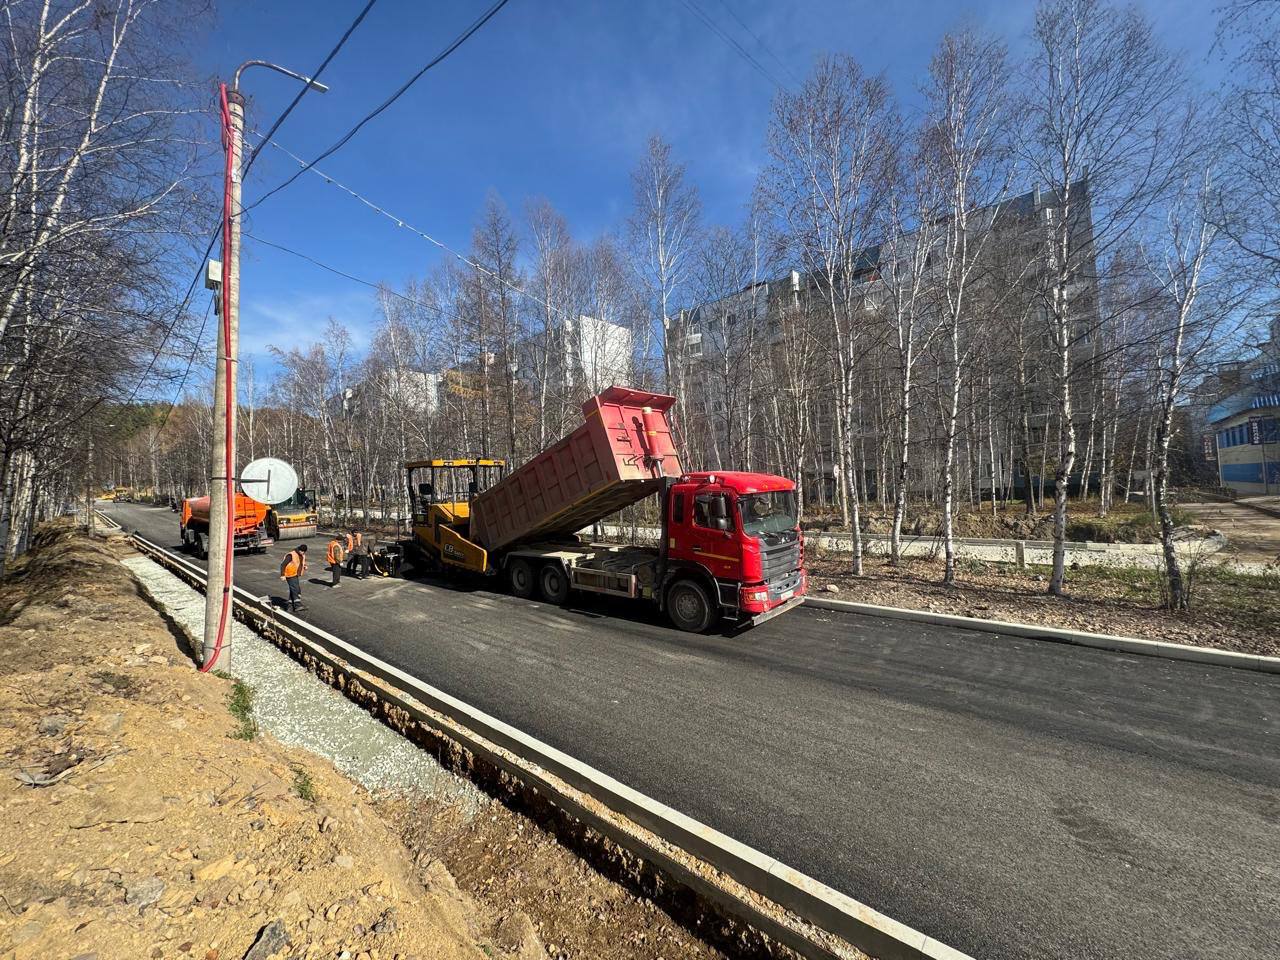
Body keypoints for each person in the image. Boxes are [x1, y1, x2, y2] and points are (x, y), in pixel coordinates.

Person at [279, 543, 308, 612]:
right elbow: (283, 565)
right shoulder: (291, 555)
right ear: (299, 549)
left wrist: (304, 566)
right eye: (301, 551)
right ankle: (297, 605)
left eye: (304, 552)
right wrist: (282, 575)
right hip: (290, 574)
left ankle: (290, 606)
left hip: (295, 574)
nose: (302, 553)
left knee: (294, 589)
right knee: (296, 589)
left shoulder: (302, 554)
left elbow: (301, 562)